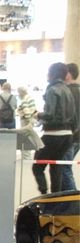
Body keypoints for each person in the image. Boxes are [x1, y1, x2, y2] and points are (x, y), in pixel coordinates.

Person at [33, 62, 76, 194]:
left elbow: (50, 114)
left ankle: (44, 195)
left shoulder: (52, 89)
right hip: (67, 136)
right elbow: (74, 117)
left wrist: (38, 114)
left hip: (53, 134)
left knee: (37, 167)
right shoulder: (68, 90)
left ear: (53, 74)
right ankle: (55, 198)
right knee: (56, 167)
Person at [17, 86, 38, 165]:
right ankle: (27, 156)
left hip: (26, 121)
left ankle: (26, 157)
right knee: (28, 137)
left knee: (24, 138)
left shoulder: (24, 99)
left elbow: (26, 111)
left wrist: (28, 121)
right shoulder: (30, 98)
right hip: (30, 120)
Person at [65, 62, 80, 168]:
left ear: (68, 74)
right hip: (77, 136)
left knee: (65, 169)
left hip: (70, 135)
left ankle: (71, 186)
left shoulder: (67, 92)